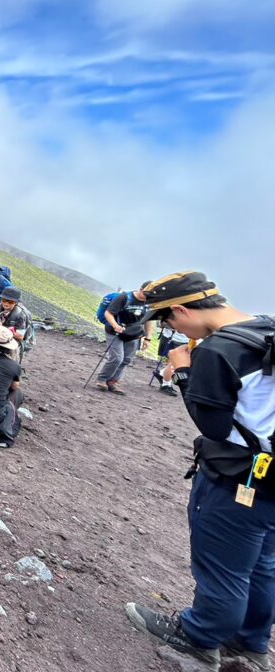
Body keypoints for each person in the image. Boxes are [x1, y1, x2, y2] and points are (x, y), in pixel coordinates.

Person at [124, 271, 275, 670]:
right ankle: (250, 643)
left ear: (181, 309)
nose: (169, 328)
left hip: (237, 476)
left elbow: (213, 426)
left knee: (223, 564)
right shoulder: (265, 326)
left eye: (167, 320)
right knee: (261, 564)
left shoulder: (219, 351)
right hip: (273, 477)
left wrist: (184, 370)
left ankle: (200, 636)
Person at [97, 282, 154, 395]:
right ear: (141, 288)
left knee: (126, 359)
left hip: (133, 333)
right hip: (115, 332)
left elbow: (149, 320)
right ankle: (102, 379)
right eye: (146, 293)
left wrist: (148, 338)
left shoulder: (150, 303)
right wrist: (115, 326)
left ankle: (113, 382)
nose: (148, 296)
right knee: (117, 358)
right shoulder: (124, 297)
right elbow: (109, 313)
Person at [0, 286, 30, 362]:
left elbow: (20, 336)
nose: (6, 303)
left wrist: (2, 328)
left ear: (16, 303)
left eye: (10, 302)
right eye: (4, 300)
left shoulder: (20, 315)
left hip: (13, 343)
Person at [153, 323, 191, 396]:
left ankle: (162, 374)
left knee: (179, 363)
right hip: (175, 339)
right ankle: (165, 384)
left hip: (181, 338)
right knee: (174, 363)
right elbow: (163, 323)